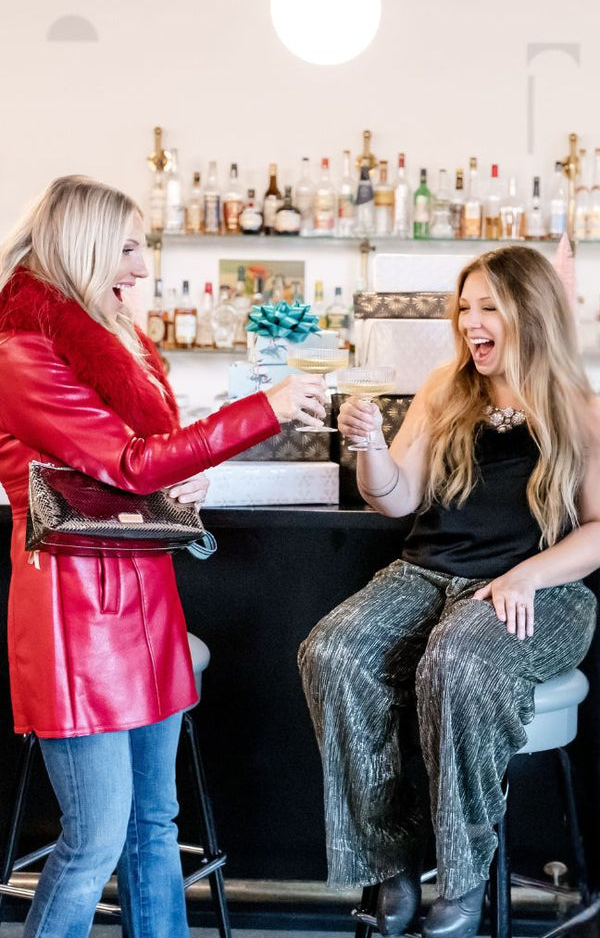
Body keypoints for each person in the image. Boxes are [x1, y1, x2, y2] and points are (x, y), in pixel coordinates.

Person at [0, 174, 326, 938]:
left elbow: (138, 464)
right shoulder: (19, 351)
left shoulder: (110, 344)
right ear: (82, 247)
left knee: (153, 824)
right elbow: (131, 463)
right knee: (94, 840)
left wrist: (184, 473)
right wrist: (266, 407)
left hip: (144, 597)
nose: (142, 267)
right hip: (74, 614)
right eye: (128, 248)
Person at [298, 245, 600, 938]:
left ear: (532, 313)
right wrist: (371, 446)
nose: (470, 323)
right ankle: (389, 861)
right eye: (464, 308)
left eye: (489, 307)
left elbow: (598, 529)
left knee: (457, 661)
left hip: (541, 593)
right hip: (427, 576)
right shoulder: (446, 389)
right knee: (332, 652)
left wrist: (527, 573)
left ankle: (463, 881)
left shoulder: (581, 410)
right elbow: (395, 499)